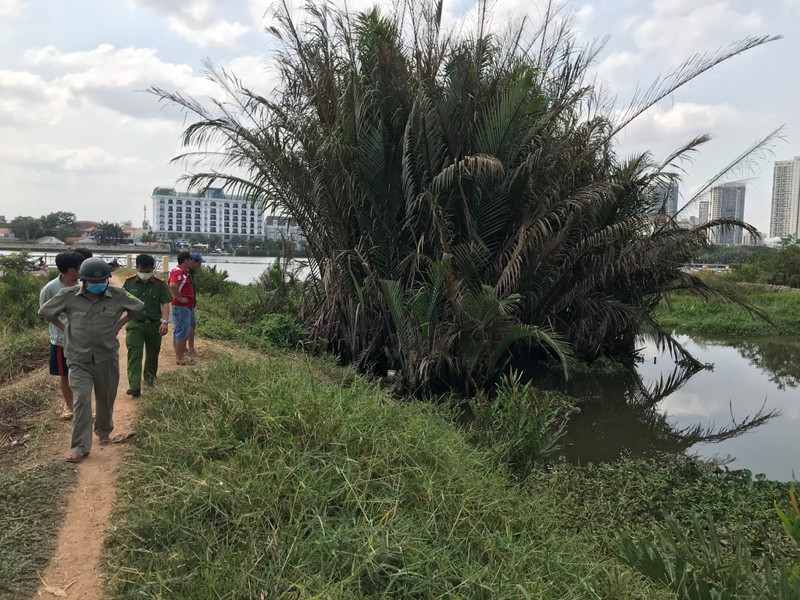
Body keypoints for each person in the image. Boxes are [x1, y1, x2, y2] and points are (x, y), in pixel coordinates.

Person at [39, 257, 145, 463]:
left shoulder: (117, 295)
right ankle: (80, 446)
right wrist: (66, 328)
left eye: (102, 281)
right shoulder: (68, 296)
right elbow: (46, 312)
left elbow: (138, 307)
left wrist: (120, 323)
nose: (98, 285)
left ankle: (104, 431)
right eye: (93, 282)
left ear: (107, 279)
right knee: (81, 400)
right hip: (79, 358)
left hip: (106, 357)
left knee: (105, 397)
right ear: (84, 281)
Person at [38, 251, 87, 419]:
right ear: (72, 270)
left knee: (83, 373)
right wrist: (65, 328)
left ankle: (84, 406)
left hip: (83, 339)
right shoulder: (50, 289)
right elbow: (46, 314)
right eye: (80, 267)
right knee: (65, 375)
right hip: (60, 341)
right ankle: (70, 407)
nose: (82, 270)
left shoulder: (83, 285)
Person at [122, 254, 171, 397]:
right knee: (134, 354)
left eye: (147, 271)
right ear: (136, 268)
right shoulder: (129, 283)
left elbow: (165, 303)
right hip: (135, 325)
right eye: (141, 270)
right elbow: (121, 302)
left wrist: (165, 322)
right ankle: (135, 386)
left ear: (152, 269)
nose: (144, 273)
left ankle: (150, 379)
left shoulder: (159, 283)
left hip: (154, 325)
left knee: (152, 354)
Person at [168, 251, 196, 365]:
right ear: (185, 260)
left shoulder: (178, 271)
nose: (192, 262)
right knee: (182, 332)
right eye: (190, 260)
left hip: (182, 306)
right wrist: (179, 298)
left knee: (178, 331)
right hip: (181, 307)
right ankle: (179, 358)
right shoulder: (179, 272)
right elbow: (173, 285)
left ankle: (179, 354)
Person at [187, 252, 206, 358]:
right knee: (188, 326)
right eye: (200, 263)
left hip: (191, 304)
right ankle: (189, 348)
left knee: (191, 325)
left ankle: (190, 348)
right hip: (186, 304)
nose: (200, 265)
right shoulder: (186, 273)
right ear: (193, 262)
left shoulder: (192, 273)